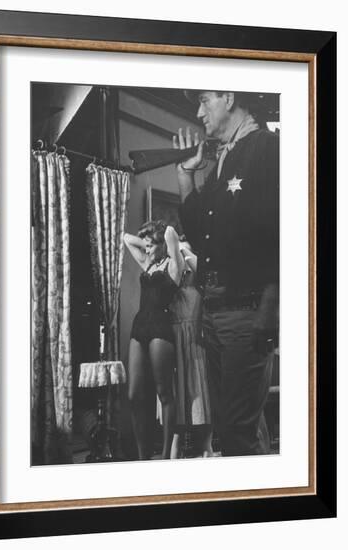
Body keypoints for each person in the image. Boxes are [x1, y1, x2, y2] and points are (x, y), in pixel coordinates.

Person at [173, 90, 279, 456]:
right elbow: (201, 234)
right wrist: (187, 174)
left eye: (205, 100)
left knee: (237, 436)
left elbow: (292, 231)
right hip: (217, 312)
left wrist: (272, 307)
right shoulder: (222, 159)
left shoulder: (270, 148)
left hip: (246, 311)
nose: (199, 112)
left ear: (229, 98)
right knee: (236, 431)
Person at [123, 221, 182, 460]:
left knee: (164, 393)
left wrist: (157, 236)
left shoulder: (174, 264)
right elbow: (127, 238)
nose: (145, 249)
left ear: (162, 245)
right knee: (134, 395)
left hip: (161, 327)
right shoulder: (148, 262)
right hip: (140, 327)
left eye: (150, 245)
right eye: (145, 246)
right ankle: (143, 456)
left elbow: (169, 234)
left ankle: (166, 455)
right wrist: (148, 240)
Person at [168, 235, 213, 459]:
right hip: (175, 343)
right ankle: (177, 441)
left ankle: (206, 444)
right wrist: (176, 249)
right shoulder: (173, 283)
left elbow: (200, 267)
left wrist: (186, 252)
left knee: (198, 389)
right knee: (179, 392)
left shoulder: (199, 287)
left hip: (196, 344)